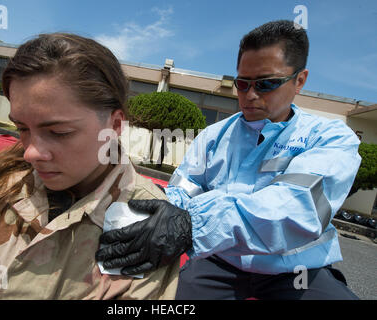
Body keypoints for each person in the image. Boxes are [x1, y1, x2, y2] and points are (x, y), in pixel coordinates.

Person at [95, 20, 361, 300]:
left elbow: (297, 209)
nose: (250, 95)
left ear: (300, 80)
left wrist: (192, 225)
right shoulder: (214, 136)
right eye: (242, 84)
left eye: (266, 84)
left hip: (297, 271)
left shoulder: (329, 138)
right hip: (221, 262)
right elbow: (182, 191)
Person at [0, 33, 180, 299]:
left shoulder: (146, 232)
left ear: (115, 126)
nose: (31, 153)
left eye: (59, 132)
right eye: (22, 128)